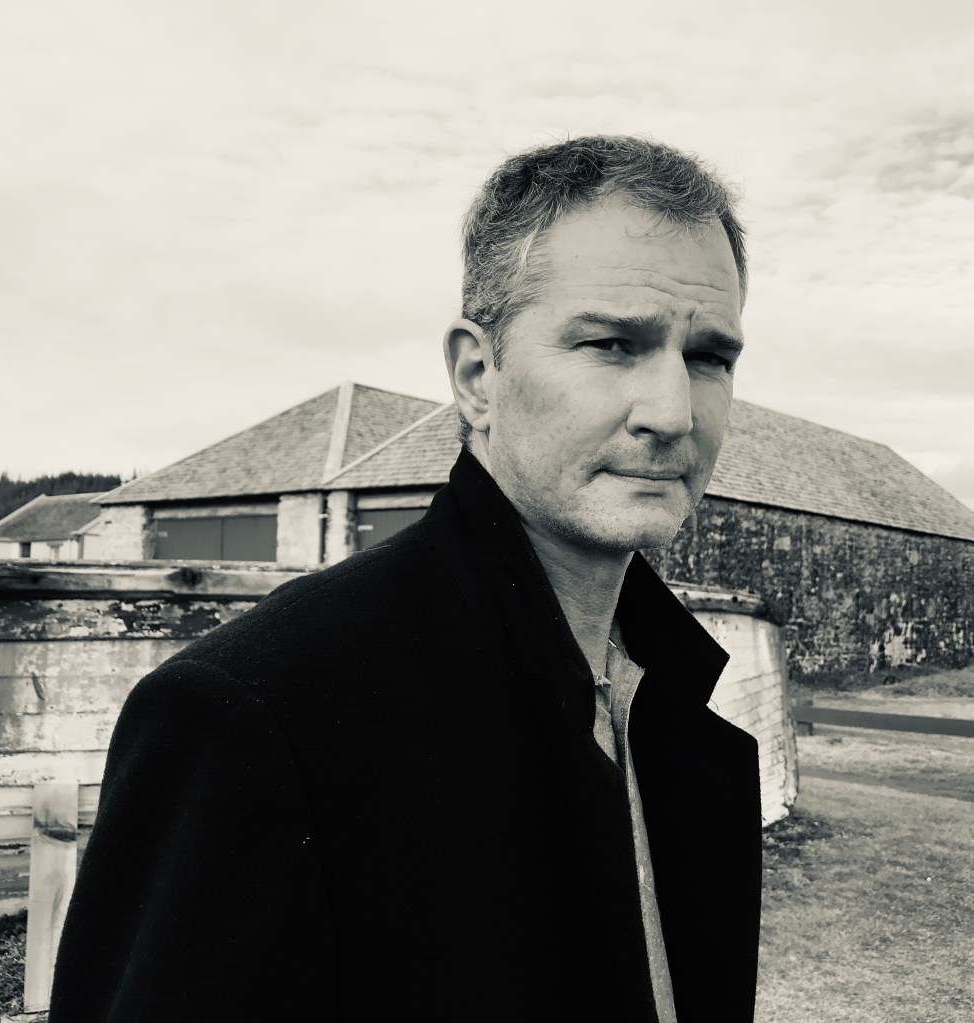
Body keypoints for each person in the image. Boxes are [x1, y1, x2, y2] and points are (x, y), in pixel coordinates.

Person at [50, 135, 761, 1023]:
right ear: (477, 376)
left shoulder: (670, 698)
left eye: (710, 357)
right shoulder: (257, 714)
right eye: (613, 343)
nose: (673, 412)